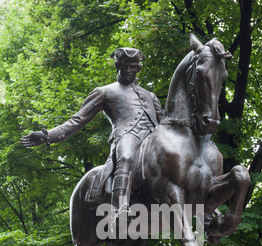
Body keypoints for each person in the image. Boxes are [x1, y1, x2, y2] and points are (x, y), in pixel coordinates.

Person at [21, 47, 163, 217]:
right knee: (126, 157)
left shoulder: (150, 95)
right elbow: (77, 120)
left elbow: (164, 124)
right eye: (124, 65)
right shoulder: (104, 92)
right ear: (117, 66)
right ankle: (120, 209)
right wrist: (47, 135)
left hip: (154, 138)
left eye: (132, 66)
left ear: (138, 68)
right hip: (127, 135)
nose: (128, 70)